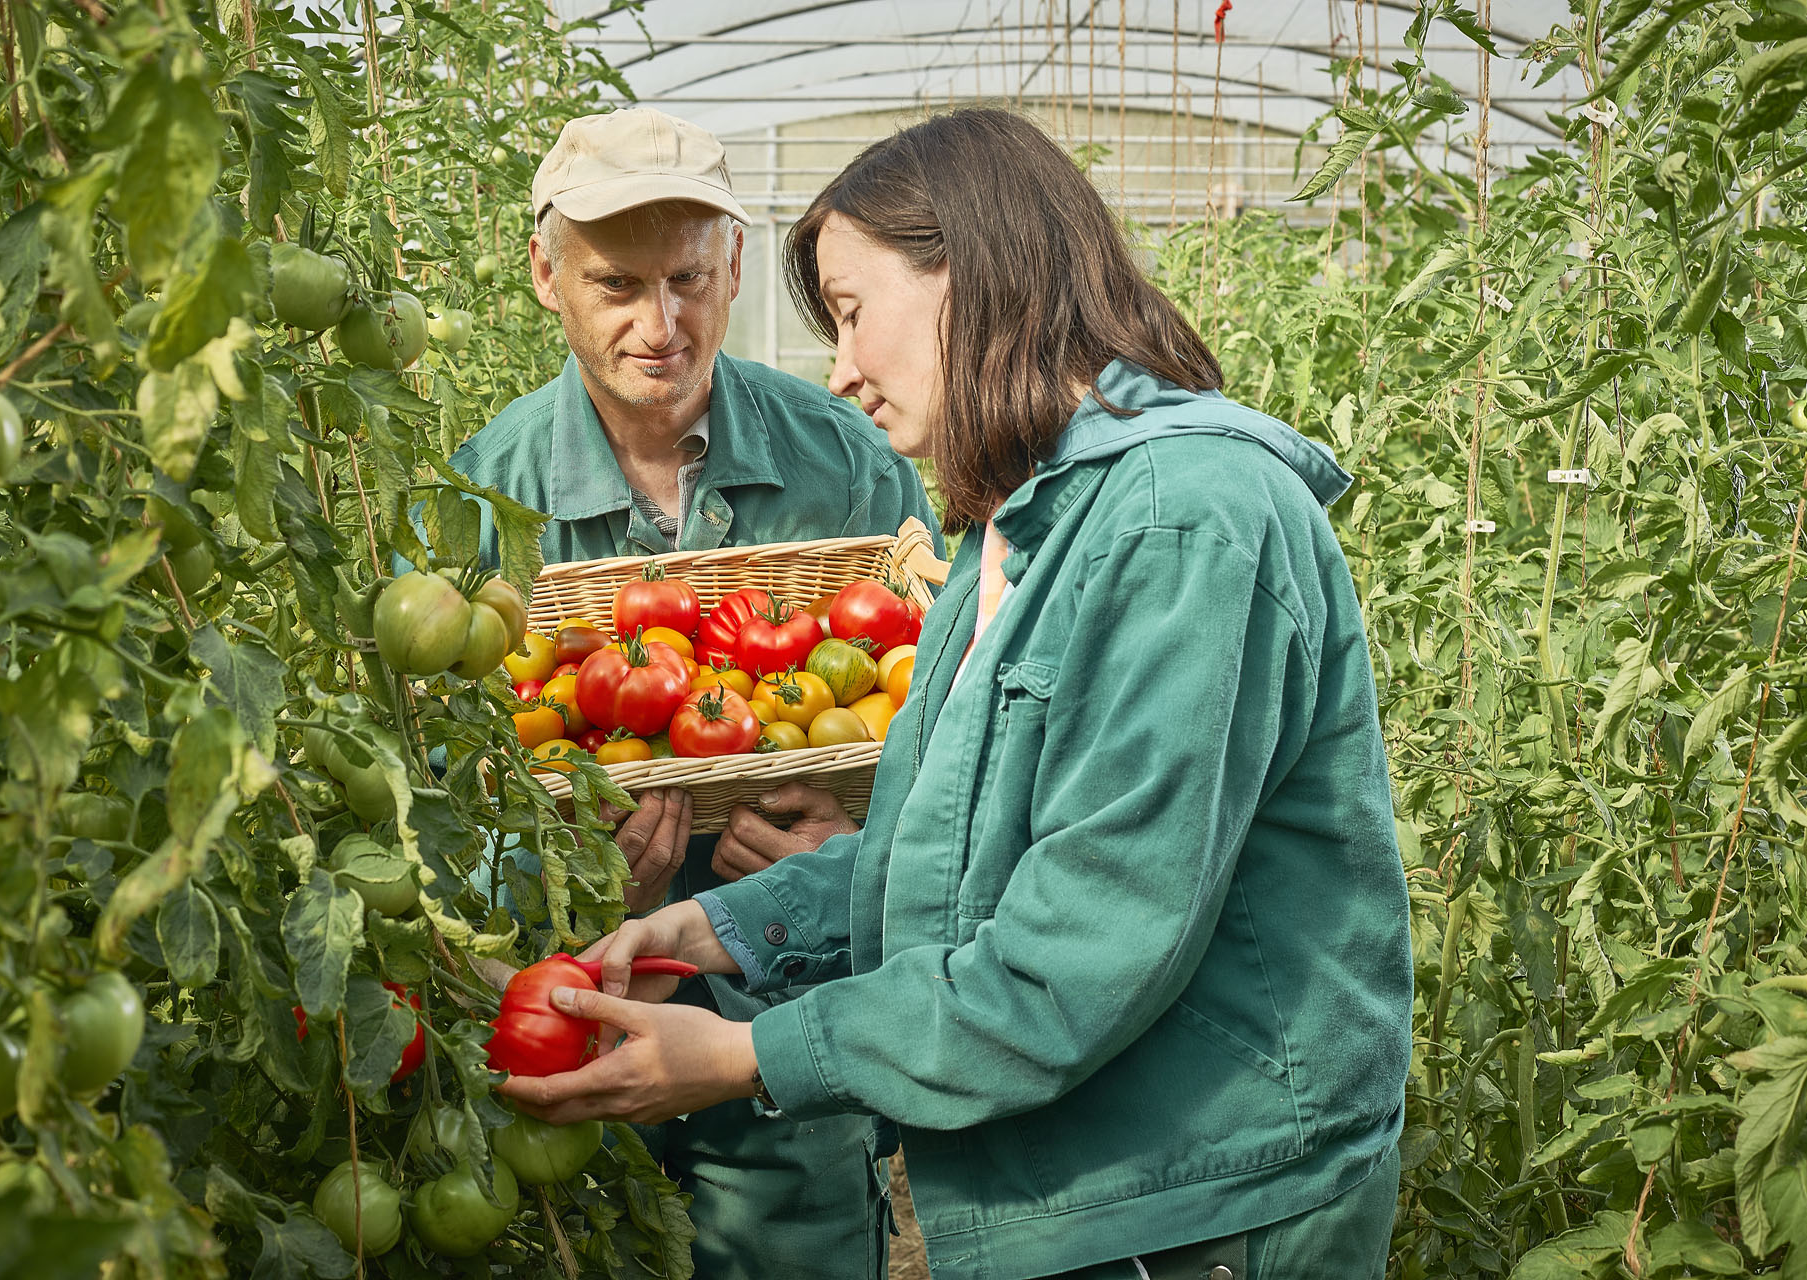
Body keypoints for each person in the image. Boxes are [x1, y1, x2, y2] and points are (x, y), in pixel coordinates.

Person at [502, 107, 1416, 1280]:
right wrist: (718, 929)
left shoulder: (1186, 518)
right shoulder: (1022, 527)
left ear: (971, 274)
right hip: (1108, 1189)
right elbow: (954, 851)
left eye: (848, 310)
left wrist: (744, 1056)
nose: (838, 367)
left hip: (1200, 1209)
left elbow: (1075, 954)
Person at [449, 107, 941, 1280]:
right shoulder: (479, 499)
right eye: (617, 283)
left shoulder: (848, 462)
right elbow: (434, 792)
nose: (659, 326)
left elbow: (951, 712)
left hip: (784, 1046)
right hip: (567, 1017)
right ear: (545, 275)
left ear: (730, 266)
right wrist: (557, 868)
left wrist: (851, 839)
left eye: (687, 278)